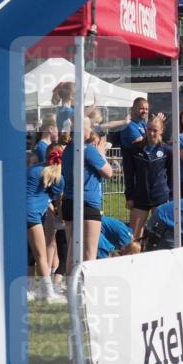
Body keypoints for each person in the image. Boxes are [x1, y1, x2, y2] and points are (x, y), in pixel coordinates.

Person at [61, 121, 113, 273]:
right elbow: (108, 172)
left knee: (72, 251)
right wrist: (102, 152)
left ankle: (70, 288)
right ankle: (85, 290)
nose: (91, 130)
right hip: (88, 204)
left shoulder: (68, 150)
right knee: (89, 253)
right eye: (89, 127)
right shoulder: (88, 150)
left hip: (69, 202)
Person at [26, 146, 65, 302]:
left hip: (19, 213)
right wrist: (61, 217)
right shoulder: (59, 178)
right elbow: (58, 201)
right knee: (41, 255)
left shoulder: (34, 169)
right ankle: (49, 293)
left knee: (29, 253)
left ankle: (28, 289)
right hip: (32, 215)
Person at [128, 117, 173, 241]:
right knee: (133, 236)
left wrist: (170, 195)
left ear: (161, 130)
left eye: (155, 130)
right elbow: (129, 175)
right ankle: (135, 258)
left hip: (160, 197)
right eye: (149, 129)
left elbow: (172, 174)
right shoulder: (136, 148)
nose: (151, 133)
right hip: (140, 196)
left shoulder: (167, 150)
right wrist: (129, 196)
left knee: (160, 235)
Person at [120, 97, 151, 213]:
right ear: (133, 109)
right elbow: (141, 143)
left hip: (143, 171)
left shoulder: (143, 124)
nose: (145, 111)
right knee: (137, 209)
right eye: (142, 108)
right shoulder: (129, 125)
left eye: (147, 109)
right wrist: (155, 132)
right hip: (133, 173)